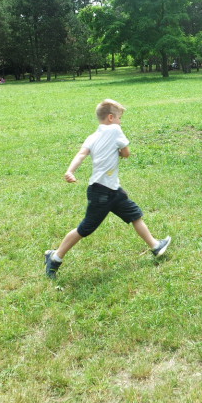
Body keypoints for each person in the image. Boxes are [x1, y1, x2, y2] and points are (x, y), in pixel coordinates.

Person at [44, 99, 171, 278]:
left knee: (134, 214)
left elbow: (81, 154)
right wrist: (118, 152)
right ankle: (54, 257)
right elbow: (126, 153)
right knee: (85, 228)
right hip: (102, 192)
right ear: (111, 118)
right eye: (120, 118)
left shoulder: (92, 137)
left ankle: (155, 246)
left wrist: (70, 171)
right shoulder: (114, 129)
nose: (120, 121)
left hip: (111, 190)